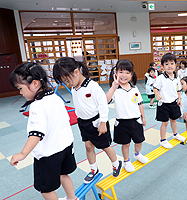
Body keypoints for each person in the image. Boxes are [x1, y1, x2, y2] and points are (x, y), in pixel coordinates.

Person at [9, 63, 78, 200]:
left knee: (45, 189)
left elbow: (36, 134)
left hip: (48, 154)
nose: (20, 93)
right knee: (64, 174)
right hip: (66, 147)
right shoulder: (55, 97)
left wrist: (23, 154)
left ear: (34, 84)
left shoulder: (37, 106)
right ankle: (72, 198)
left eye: (20, 88)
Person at [53, 57, 122, 183]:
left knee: (105, 146)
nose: (68, 83)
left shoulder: (93, 86)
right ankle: (93, 169)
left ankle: (116, 163)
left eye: (67, 80)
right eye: (64, 81)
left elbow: (103, 105)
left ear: (76, 72)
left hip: (97, 122)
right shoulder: (74, 88)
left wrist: (103, 123)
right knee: (88, 146)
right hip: (83, 123)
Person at [106, 59, 149, 172]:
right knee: (126, 144)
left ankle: (137, 154)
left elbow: (139, 103)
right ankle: (126, 161)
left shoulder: (134, 89)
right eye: (121, 72)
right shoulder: (115, 89)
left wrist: (143, 117)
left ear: (131, 74)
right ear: (116, 73)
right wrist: (113, 87)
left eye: (127, 72)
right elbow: (106, 100)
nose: (124, 75)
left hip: (136, 120)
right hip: (122, 122)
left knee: (139, 141)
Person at [153, 53, 186, 149]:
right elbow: (155, 88)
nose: (169, 66)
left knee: (174, 120)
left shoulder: (177, 77)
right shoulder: (160, 78)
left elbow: (178, 89)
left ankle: (175, 134)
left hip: (174, 103)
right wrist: (157, 94)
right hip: (163, 104)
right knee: (165, 122)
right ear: (163, 66)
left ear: (175, 65)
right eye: (166, 64)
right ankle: (163, 140)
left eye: (172, 63)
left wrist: (179, 98)